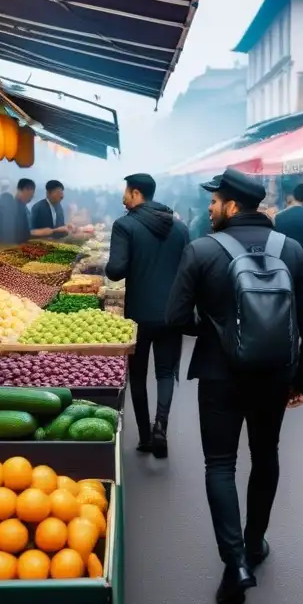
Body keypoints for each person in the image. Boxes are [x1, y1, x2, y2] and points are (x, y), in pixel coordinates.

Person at [165, 168, 303, 604]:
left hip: (219, 375)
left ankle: (234, 563)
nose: (210, 207)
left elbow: (175, 317)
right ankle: (255, 543)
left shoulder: (201, 251)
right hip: (274, 374)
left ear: (232, 206)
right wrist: (302, 379)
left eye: (214, 201)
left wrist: (215, 331)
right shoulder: (290, 251)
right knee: (266, 454)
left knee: (220, 464)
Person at [105, 173, 189, 457]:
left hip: (139, 314)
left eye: (126, 192)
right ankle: (160, 427)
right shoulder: (179, 228)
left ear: (136, 193)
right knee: (166, 372)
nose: (123, 197)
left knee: (138, 375)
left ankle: (144, 436)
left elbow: (115, 270)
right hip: (172, 313)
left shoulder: (125, 225)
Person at [0, 177, 36, 245]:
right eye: (30, 195)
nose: (30, 199)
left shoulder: (23, 207)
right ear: (23, 190)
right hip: (10, 247)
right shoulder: (9, 204)